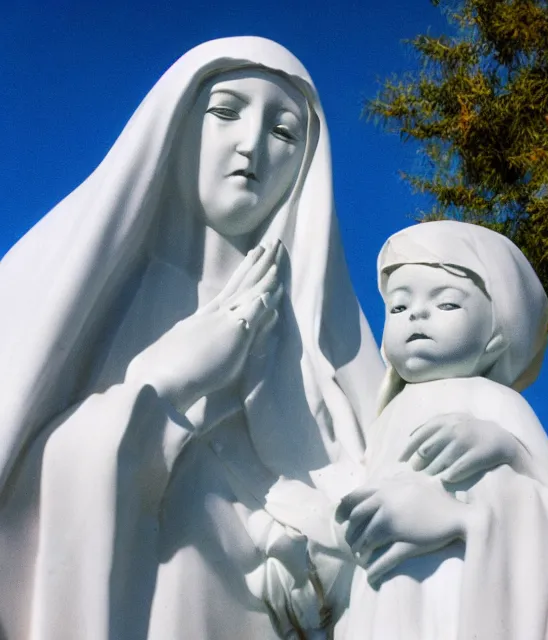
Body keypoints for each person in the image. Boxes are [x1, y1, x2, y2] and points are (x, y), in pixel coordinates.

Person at [0, 37, 386, 640]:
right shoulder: (65, 286)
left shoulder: (321, 339)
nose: (250, 146)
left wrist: (312, 545)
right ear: (179, 125)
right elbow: (21, 496)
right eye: (226, 112)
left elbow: (371, 541)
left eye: (284, 133)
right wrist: (163, 383)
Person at [334, 221, 548, 639]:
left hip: (462, 597)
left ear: (497, 334)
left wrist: (461, 516)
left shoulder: (497, 404)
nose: (417, 315)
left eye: (447, 304)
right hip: (382, 603)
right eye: (398, 307)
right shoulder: (384, 419)